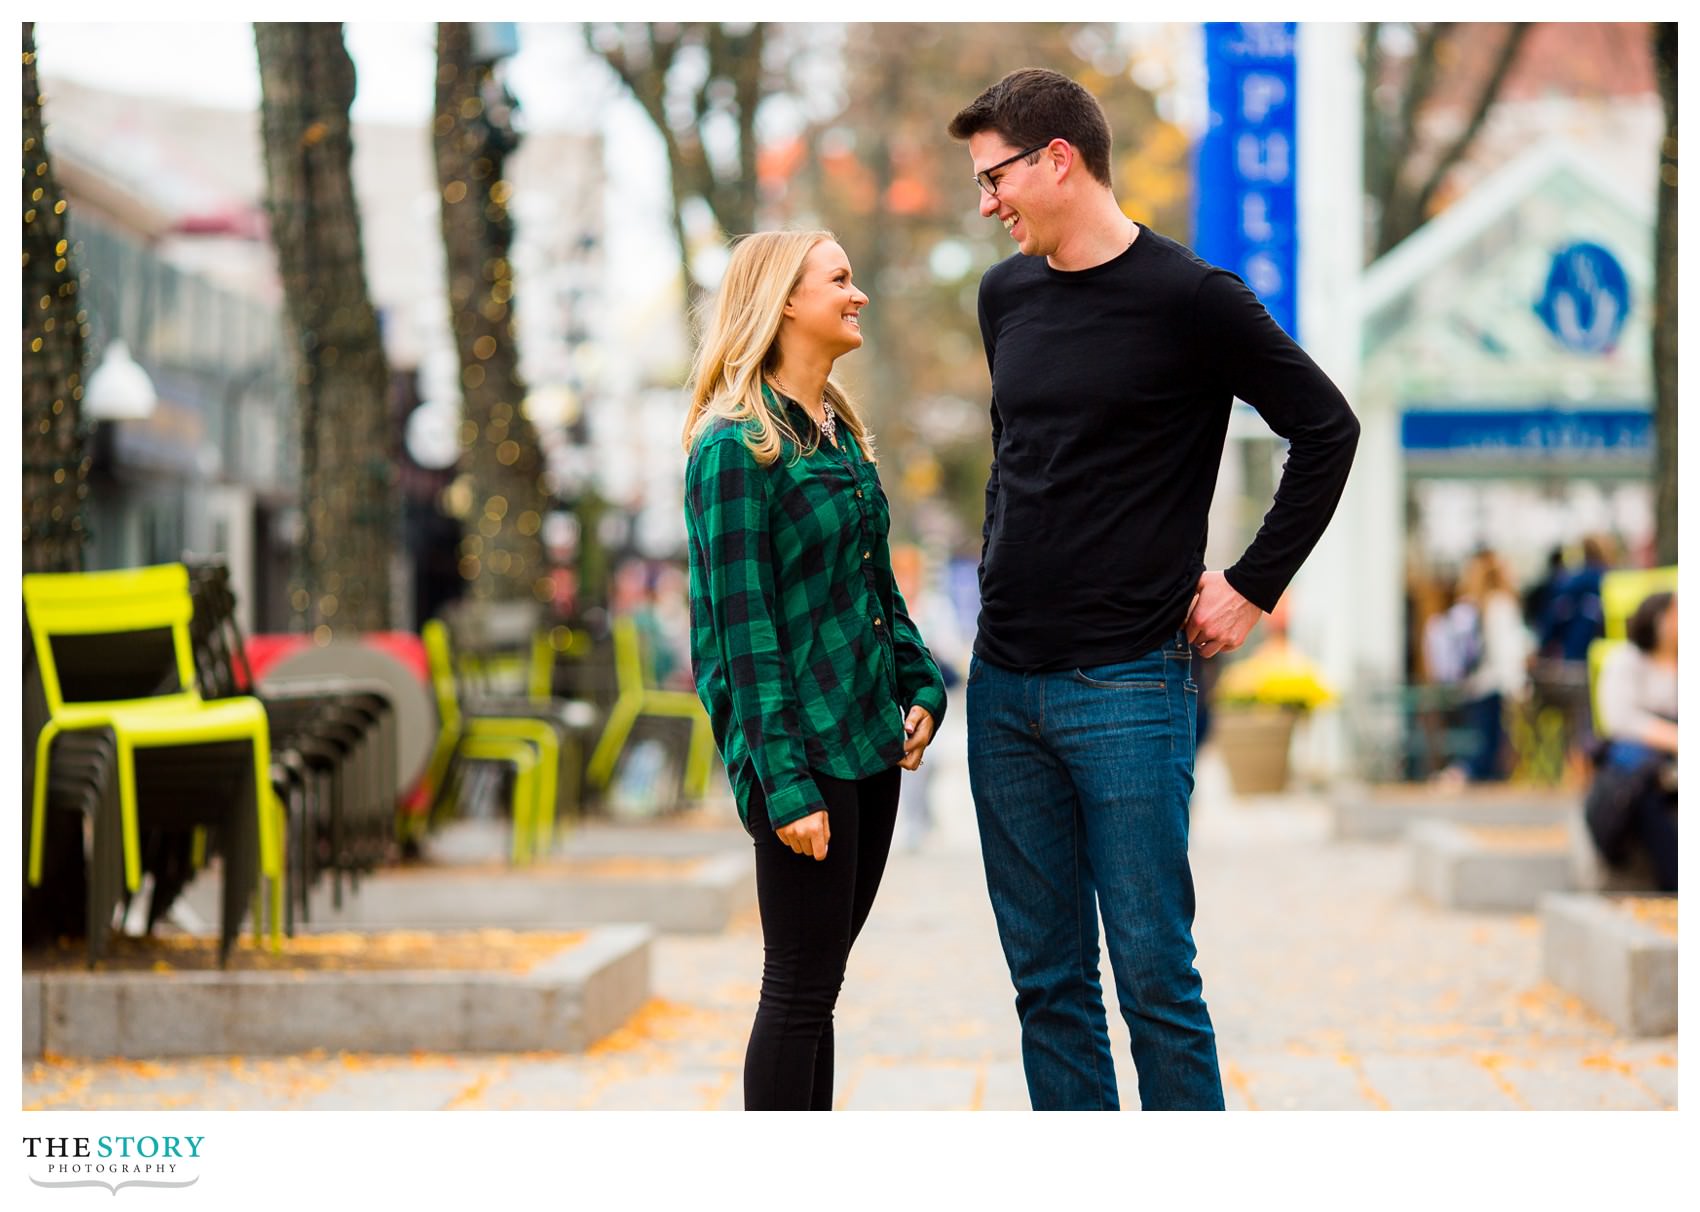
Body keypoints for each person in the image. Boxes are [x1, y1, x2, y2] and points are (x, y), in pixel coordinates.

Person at [948, 69, 1359, 1111]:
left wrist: (1251, 586)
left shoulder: (1190, 298)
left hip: (1128, 682)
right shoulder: (1003, 297)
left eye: (993, 177)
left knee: (1152, 981)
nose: (984, 202)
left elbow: (1325, 429)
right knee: (1046, 987)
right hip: (1002, 689)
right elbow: (1019, 462)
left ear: (1057, 160)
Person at [681, 230, 948, 1110]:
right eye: (841, 278)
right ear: (786, 301)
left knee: (820, 988)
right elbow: (739, 633)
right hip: (802, 763)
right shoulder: (734, 448)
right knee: (796, 990)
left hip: (870, 746)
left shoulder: (836, 433)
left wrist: (920, 682)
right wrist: (784, 785)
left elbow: (876, 587)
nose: (858, 293)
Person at [1591, 591, 1677, 890]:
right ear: (1657, 618)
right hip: (1640, 762)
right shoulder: (1626, 661)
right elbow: (1620, 720)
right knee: (1646, 790)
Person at [1455, 549, 1531, 781]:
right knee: (1492, 751)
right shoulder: (1501, 605)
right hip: (1494, 685)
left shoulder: (1477, 604)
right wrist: (1518, 686)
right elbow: (1506, 651)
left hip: (1477, 684)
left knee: (1482, 747)